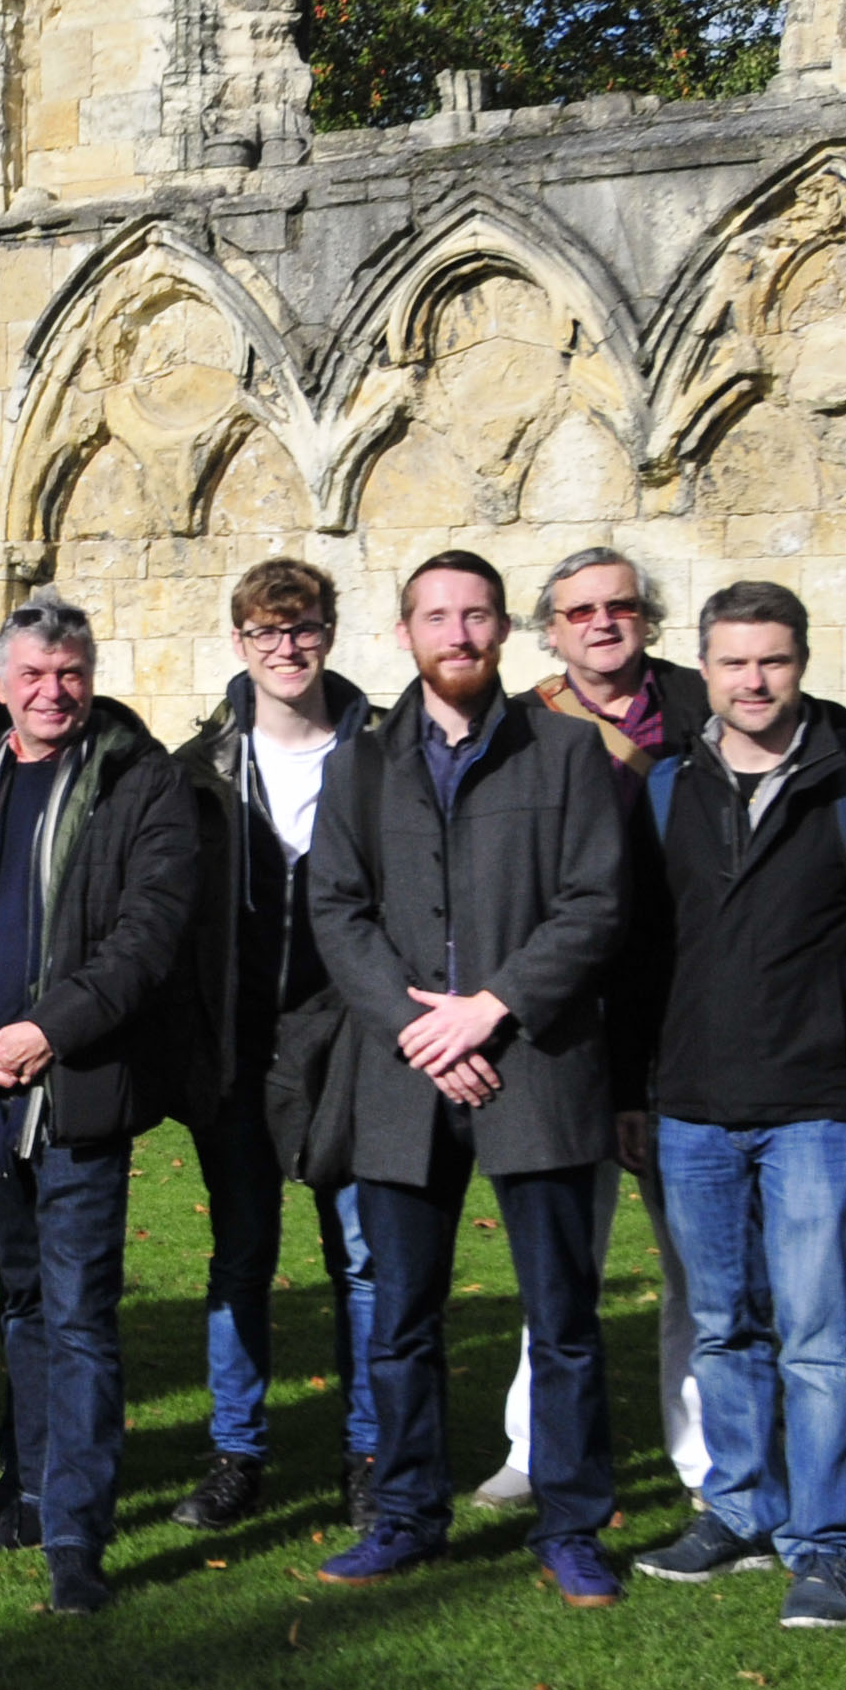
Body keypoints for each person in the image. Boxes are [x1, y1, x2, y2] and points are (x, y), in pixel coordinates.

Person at [304, 551, 628, 1610]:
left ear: (503, 631)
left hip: (532, 1066)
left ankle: (572, 1524)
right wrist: (413, 1028)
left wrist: (489, 1010)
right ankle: (403, 1514)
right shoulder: (359, 765)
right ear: (402, 634)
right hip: (402, 1081)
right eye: (435, 617)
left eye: (476, 615)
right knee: (398, 1315)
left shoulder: (570, 754)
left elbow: (593, 902)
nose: (456, 634)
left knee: (561, 1316)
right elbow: (336, 912)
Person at [629, 582, 846, 1631]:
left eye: (769, 660)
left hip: (818, 1102)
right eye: (731, 663)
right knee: (721, 1328)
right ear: (704, 669)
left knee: (818, 1337)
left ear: (799, 663)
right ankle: (732, 1511)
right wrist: (629, 1093)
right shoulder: (663, 791)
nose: (751, 680)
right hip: (688, 1107)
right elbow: (633, 965)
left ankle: (822, 1548)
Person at [0, 595, 199, 1616]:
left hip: (72, 1094)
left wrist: (45, 1033)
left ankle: (74, 1536)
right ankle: (26, 1496)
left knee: (77, 1316)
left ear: (89, 673)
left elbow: (145, 938)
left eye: (68, 672)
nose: (51, 692)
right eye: (30, 675)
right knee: (21, 1302)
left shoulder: (139, 780)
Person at [478, 547, 717, 1513]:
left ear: (649, 619)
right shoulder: (525, 726)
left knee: (699, 1267)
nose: (602, 623)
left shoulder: (707, 712)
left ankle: (709, 1464)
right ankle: (536, 1452)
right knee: (560, 1258)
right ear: (551, 629)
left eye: (620, 606)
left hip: (687, 1016)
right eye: (579, 612)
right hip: (565, 1021)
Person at [161, 560, 381, 1532]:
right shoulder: (199, 767)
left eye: (299, 630)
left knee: (361, 1260)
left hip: (351, 1040)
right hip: (239, 1042)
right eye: (263, 633)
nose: (284, 649)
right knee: (240, 1256)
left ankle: (371, 1453)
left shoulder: (379, 753)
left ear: (327, 634)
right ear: (239, 644)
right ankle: (236, 1455)